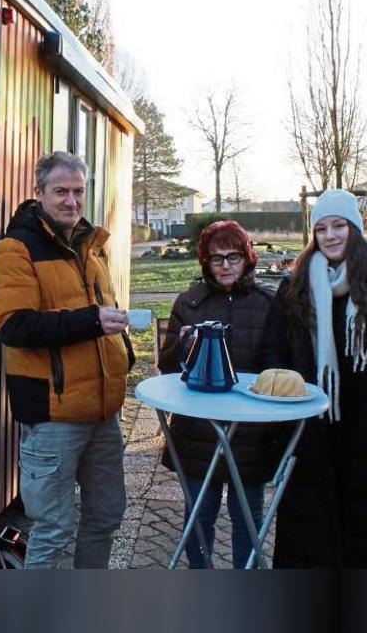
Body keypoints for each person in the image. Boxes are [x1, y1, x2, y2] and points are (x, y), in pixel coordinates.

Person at [259, 188, 367, 568]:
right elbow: (271, 350)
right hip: (309, 434)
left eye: (339, 226)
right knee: (307, 540)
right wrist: (291, 395)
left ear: (357, 229)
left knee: (366, 540)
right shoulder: (294, 289)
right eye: (321, 228)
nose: (330, 236)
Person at [0, 152, 134, 569]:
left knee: (105, 516)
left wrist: (124, 349)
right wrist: (91, 322)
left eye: (78, 192)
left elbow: (98, 310)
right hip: (53, 415)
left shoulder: (89, 244)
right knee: (53, 530)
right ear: (39, 193)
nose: (71, 201)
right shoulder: (17, 247)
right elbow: (14, 327)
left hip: (103, 412)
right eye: (60, 192)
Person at [157, 220, 282, 569]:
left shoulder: (269, 303)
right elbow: (166, 366)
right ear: (205, 262)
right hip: (199, 430)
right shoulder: (189, 303)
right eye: (216, 258)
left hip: (250, 432)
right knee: (199, 515)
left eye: (233, 256)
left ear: (247, 258)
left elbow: (279, 365)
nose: (225, 265)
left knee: (248, 517)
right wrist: (183, 345)